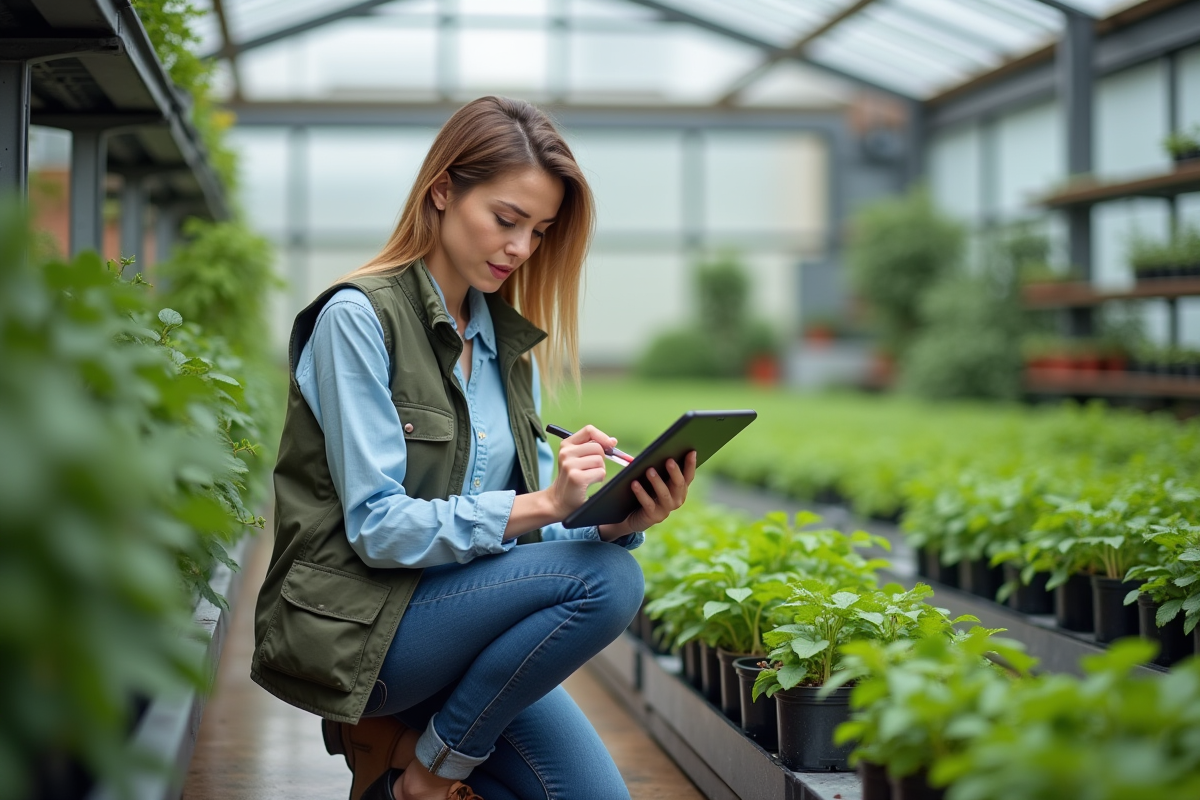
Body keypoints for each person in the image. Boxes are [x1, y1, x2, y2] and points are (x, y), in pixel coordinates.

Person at [250, 96, 697, 800]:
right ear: (442, 191)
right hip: (368, 626)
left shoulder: (503, 347)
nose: (520, 248)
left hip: (463, 620)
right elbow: (376, 528)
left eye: (540, 231)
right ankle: (427, 772)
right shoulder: (358, 318)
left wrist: (609, 518)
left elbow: (525, 541)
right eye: (506, 220)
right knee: (607, 581)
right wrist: (542, 503)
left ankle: (394, 770)